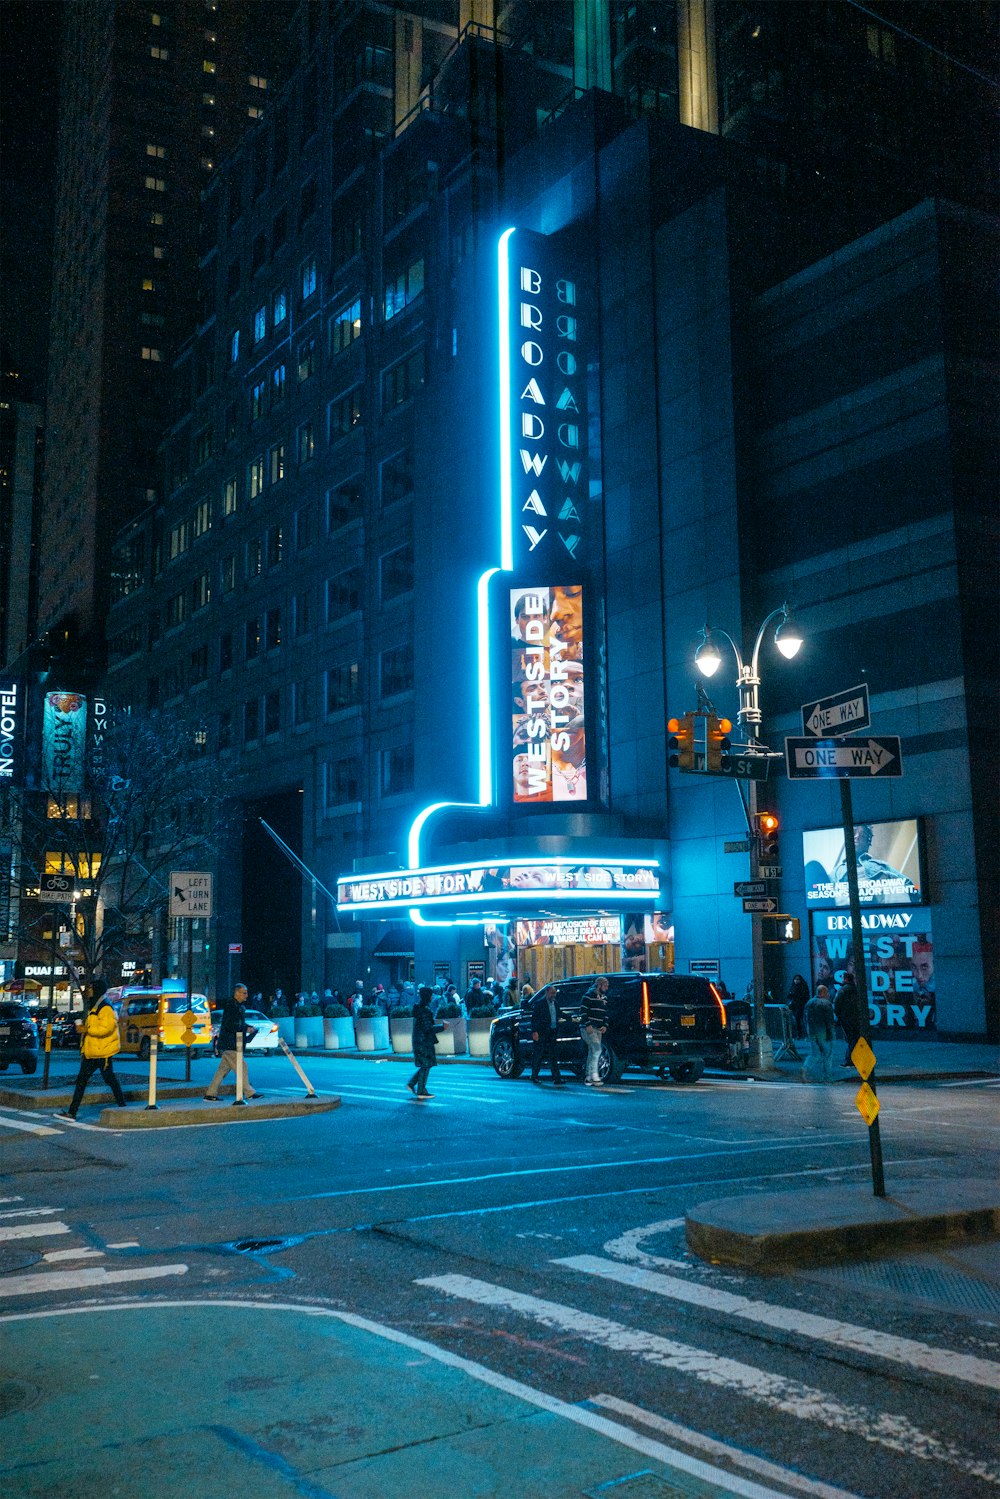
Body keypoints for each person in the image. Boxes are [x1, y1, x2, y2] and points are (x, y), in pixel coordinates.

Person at [58, 979, 128, 1119]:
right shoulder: (97, 1006)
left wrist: (86, 1029)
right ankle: (72, 1111)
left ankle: (122, 1107)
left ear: (96, 989)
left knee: (107, 1079)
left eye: (90, 988)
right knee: (87, 1080)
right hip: (94, 1051)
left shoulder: (105, 1007)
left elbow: (106, 1029)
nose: (88, 991)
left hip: (102, 1052)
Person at [204, 984, 262, 1101]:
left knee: (222, 1070)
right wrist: (246, 1029)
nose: (246, 995)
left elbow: (237, 1023)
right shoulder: (232, 1006)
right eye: (244, 993)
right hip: (231, 1043)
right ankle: (249, 1092)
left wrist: (247, 1027)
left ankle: (210, 1094)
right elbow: (231, 1024)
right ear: (237, 993)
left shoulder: (237, 1006)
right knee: (242, 1067)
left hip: (230, 1043)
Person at [407, 985, 441, 1099]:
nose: (432, 997)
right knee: (426, 1065)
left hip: (420, 1041)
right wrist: (442, 1027)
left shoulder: (420, 1009)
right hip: (424, 1042)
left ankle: (412, 1084)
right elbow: (428, 1028)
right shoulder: (425, 1011)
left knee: (425, 1065)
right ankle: (421, 1090)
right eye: (431, 995)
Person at [802, 984, 836, 1082]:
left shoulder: (809, 1003)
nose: (828, 994)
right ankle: (827, 1077)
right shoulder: (826, 1004)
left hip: (811, 1031)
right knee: (827, 1054)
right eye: (827, 992)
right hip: (823, 1031)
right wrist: (830, 1034)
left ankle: (806, 1067)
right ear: (823, 993)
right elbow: (829, 1021)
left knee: (815, 1054)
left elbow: (805, 1018)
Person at [530, 987, 564, 1086]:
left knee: (553, 1056)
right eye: (552, 993)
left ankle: (557, 1078)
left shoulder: (555, 1004)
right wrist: (535, 1032)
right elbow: (535, 1018)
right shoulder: (540, 1004)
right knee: (539, 1055)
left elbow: (559, 1013)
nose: (553, 995)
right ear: (547, 993)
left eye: (555, 993)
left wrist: (570, 1018)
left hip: (552, 1032)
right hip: (542, 1033)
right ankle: (534, 1076)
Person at [581, 975, 609, 1086]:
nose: (606, 988)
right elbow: (583, 1012)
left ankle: (588, 1076)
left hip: (598, 1028)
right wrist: (587, 1024)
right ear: (599, 985)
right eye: (605, 985)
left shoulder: (604, 998)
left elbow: (605, 1013)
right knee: (597, 1049)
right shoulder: (588, 996)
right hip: (589, 1028)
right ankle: (594, 1075)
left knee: (592, 1051)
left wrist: (605, 1025)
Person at [834, 972, 864, 1067]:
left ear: (846, 979)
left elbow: (837, 1004)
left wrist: (838, 1017)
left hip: (846, 1019)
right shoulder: (856, 989)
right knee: (855, 1038)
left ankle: (850, 1060)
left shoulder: (842, 990)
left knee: (850, 1039)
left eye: (843, 978)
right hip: (856, 1018)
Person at [786, 974, 810, 1038]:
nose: (796, 981)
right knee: (797, 1020)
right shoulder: (793, 986)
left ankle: (803, 1034)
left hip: (801, 1005)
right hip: (795, 1005)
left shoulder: (803, 987)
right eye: (795, 979)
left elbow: (805, 996)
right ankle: (799, 1034)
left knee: (801, 1020)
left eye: (797, 979)